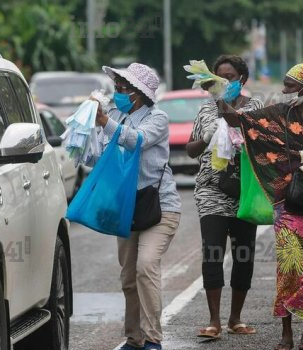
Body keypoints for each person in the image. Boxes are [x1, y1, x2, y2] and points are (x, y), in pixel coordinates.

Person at [219, 61, 303, 350]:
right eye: (285, 84)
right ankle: (286, 332)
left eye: (290, 86)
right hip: (285, 205)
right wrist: (220, 96)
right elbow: (240, 121)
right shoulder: (278, 115)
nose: (285, 90)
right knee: (289, 266)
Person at [91, 62, 182, 350]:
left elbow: (136, 141)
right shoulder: (116, 114)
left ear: (139, 94)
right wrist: (89, 124)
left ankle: (153, 338)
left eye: (123, 88)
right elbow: (96, 155)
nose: (117, 93)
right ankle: (134, 338)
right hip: (128, 207)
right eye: (116, 87)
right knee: (128, 277)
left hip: (160, 207)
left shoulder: (158, 118)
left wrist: (106, 123)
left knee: (145, 267)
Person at [185, 55, 263, 339]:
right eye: (219, 77)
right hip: (211, 189)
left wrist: (226, 110)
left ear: (242, 79)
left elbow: (261, 142)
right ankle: (214, 321)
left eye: (229, 77)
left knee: (244, 254)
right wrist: (205, 137)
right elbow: (191, 150)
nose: (224, 81)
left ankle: (235, 318)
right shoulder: (205, 108)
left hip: (245, 192)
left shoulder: (255, 107)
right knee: (212, 253)